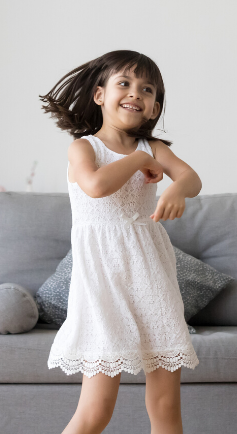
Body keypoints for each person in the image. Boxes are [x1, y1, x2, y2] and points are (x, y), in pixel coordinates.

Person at [40, 50, 201, 434]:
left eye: (147, 89)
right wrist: (137, 162)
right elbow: (95, 186)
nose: (135, 93)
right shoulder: (83, 148)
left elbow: (192, 179)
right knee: (97, 410)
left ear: (154, 107)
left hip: (152, 278)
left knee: (165, 405)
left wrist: (176, 187)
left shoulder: (155, 148)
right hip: (102, 286)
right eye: (124, 84)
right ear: (100, 95)